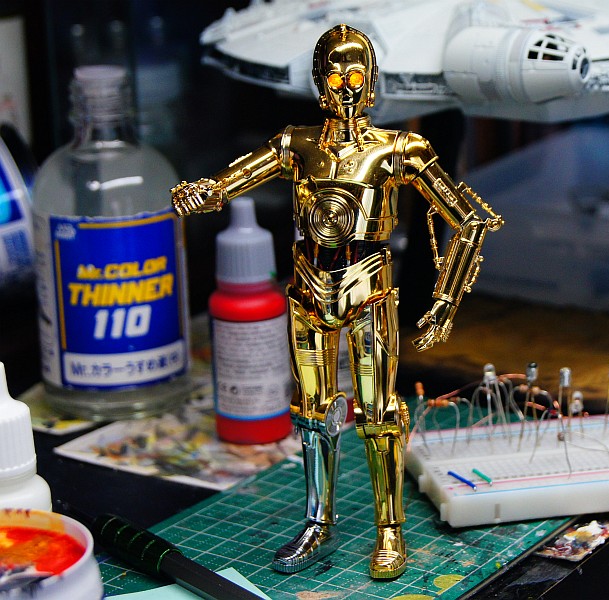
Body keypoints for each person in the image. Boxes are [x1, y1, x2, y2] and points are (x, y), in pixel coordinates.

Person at [171, 24, 501, 579]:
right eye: (334, 74)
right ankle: (317, 520)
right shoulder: (296, 144)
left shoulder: (398, 149)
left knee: (379, 412)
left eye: (356, 74)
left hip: (368, 285)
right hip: (307, 287)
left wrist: (445, 300)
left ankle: (389, 531)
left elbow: (470, 218)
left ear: (372, 82)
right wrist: (203, 192)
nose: (346, 85)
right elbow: (233, 179)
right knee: (311, 411)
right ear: (318, 81)